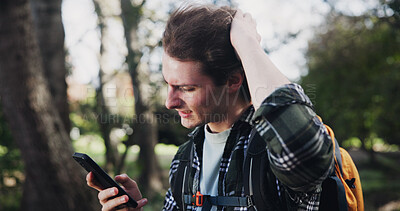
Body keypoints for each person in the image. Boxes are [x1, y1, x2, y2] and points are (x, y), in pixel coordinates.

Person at [87, 4, 334, 211]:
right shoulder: (184, 160)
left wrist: (247, 44)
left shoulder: (274, 151)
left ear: (233, 80)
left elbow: (302, 147)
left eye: (186, 88)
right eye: (168, 85)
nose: (169, 102)